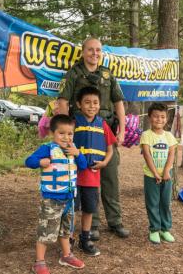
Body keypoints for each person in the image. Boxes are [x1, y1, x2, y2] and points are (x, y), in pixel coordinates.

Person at [57, 37, 129, 239]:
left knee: (110, 178)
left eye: (98, 50)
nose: (94, 53)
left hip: (105, 131)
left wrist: (121, 130)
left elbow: (119, 102)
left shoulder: (107, 74)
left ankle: (115, 221)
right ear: (83, 51)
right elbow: (63, 101)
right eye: (90, 50)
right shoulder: (74, 73)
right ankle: (93, 225)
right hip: (82, 133)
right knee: (88, 177)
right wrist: (65, 133)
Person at [25, 114, 87, 274]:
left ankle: (66, 255)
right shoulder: (47, 149)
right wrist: (39, 162)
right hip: (51, 199)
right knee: (46, 231)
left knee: (66, 231)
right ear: (53, 133)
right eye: (62, 133)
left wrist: (78, 154)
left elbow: (84, 166)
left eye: (70, 133)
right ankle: (39, 262)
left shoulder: (73, 150)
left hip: (69, 199)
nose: (66, 137)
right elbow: (28, 161)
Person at [73, 86, 116, 256]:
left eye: (95, 103)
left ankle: (85, 239)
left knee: (89, 209)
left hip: (92, 176)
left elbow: (110, 149)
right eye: (87, 102)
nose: (92, 106)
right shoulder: (74, 122)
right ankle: (68, 238)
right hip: (73, 176)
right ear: (79, 104)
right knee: (71, 209)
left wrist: (104, 163)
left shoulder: (103, 124)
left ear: (100, 105)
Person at [140, 102, 177, 244]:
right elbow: (147, 155)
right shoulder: (146, 135)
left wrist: (166, 171)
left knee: (165, 203)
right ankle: (154, 229)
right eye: (156, 116)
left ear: (166, 118)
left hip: (167, 177)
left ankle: (165, 229)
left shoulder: (169, 136)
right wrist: (155, 173)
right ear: (150, 118)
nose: (159, 119)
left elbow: (171, 155)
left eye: (162, 117)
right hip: (151, 176)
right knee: (153, 203)